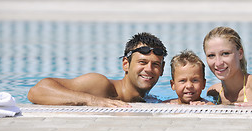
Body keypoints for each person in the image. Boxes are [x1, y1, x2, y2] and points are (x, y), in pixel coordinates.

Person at [28, 32, 167, 107]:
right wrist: (92, 100)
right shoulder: (100, 85)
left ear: (162, 69)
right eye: (142, 62)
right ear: (126, 64)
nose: (148, 69)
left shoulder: (146, 99)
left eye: (155, 64)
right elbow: (37, 91)